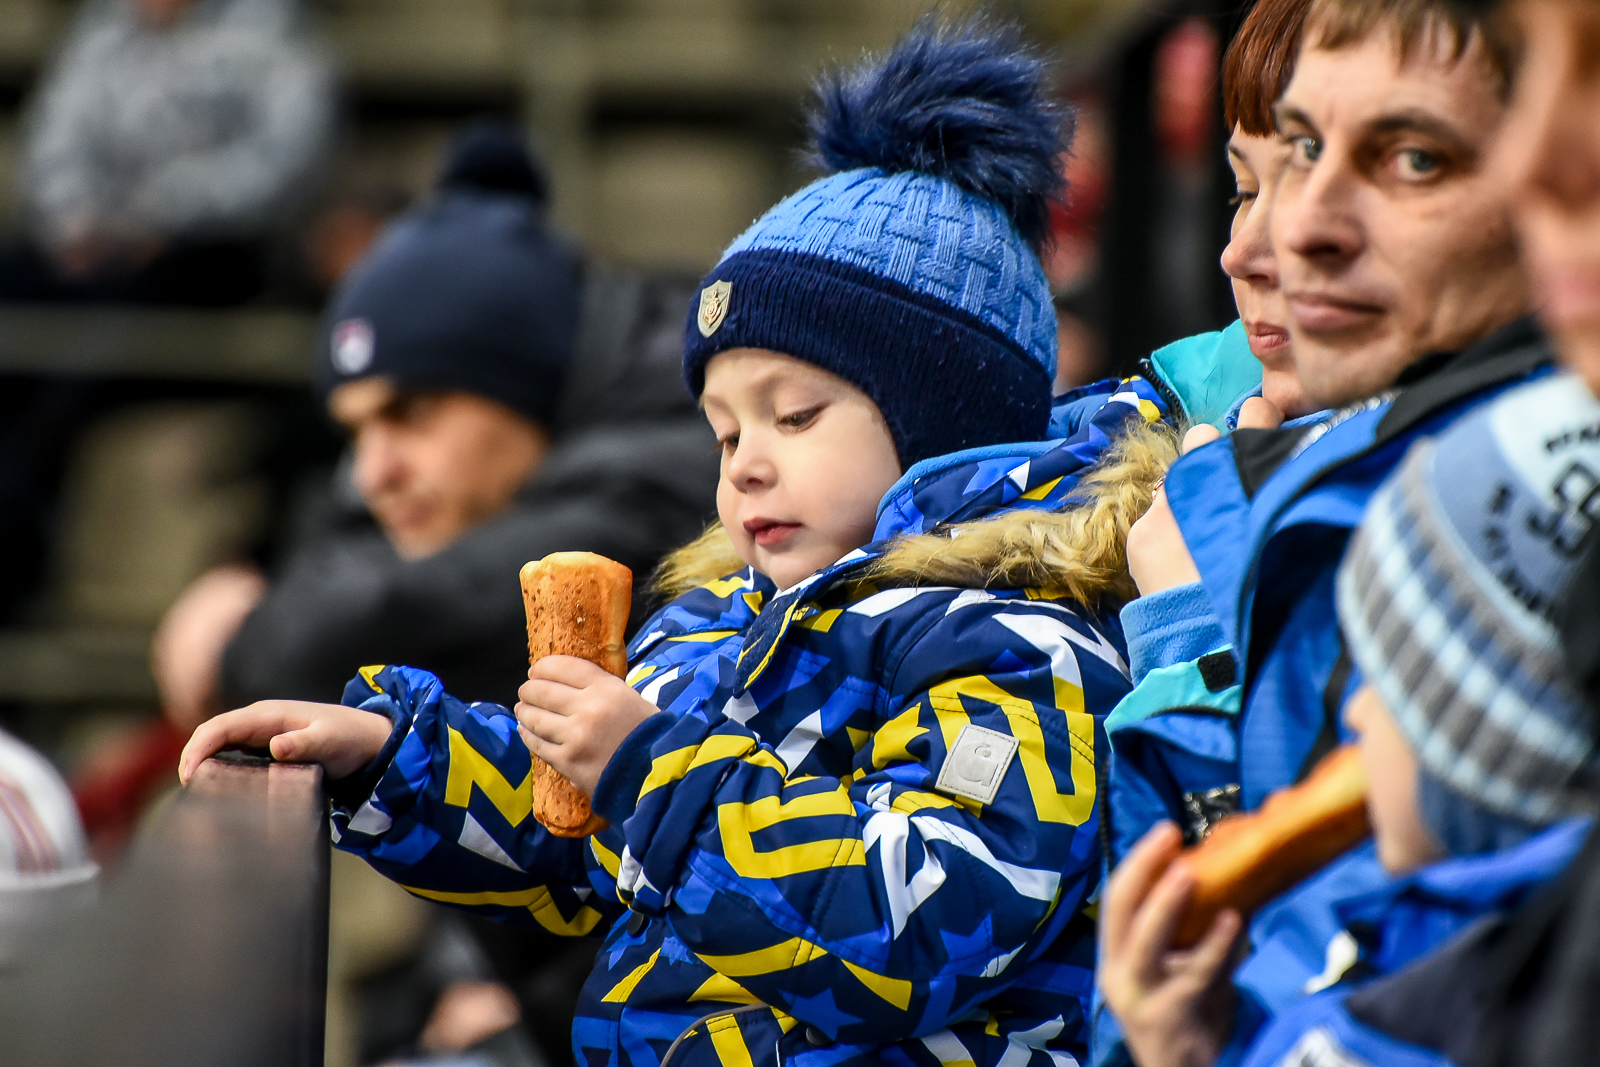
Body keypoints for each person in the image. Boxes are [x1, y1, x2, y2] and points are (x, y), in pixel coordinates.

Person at [177, 20, 1183, 1067]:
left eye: (795, 416)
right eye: (725, 429)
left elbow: (917, 923)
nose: (744, 462)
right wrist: (396, 761)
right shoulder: (719, 618)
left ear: (946, 422)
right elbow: (574, 843)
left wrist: (650, 772)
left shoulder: (1021, 647)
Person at [1095, 0, 1560, 1060]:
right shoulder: (1272, 473)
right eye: (1284, 163)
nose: (1280, 237)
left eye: (1410, 158)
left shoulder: (1510, 518)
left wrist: (1187, 644)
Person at [1104, 371, 1600, 1067]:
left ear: (1486, 747)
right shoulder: (1401, 951)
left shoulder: (1443, 1015)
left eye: (1388, 677)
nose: (1356, 708)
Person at [151, 122, 719, 730]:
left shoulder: (699, 446)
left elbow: (339, 645)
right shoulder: (532, 452)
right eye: (357, 432)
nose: (374, 474)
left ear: (527, 384)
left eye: (410, 414)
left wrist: (242, 636)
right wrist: (251, 569)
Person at [4, 0, 334, 305]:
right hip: (96, 238)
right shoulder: (102, 30)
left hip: (216, 243)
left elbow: (287, 158)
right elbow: (55, 139)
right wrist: (74, 222)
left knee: (127, 306)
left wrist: (161, 213)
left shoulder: (273, 30)